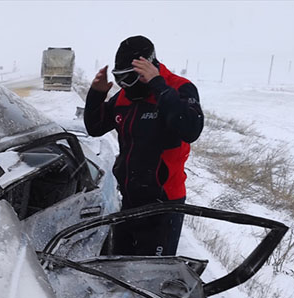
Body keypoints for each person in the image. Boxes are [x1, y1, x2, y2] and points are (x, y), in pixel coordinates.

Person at [84, 36, 204, 256]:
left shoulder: (179, 88)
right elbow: (95, 127)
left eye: (131, 77)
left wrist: (158, 85)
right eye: (120, 78)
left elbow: (191, 129)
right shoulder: (124, 97)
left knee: (150, 272)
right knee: (115, 265)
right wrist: (96, 95)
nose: (125, 85)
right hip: (130, 199)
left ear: (149, 66)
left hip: (164, 204)